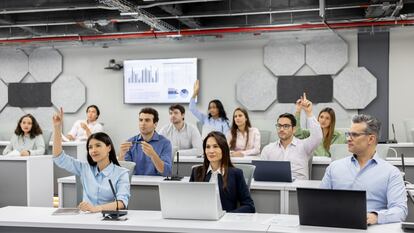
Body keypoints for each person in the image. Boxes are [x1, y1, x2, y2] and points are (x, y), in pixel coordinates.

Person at [320, 114, 407, 225]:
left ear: (371, 139)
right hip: (337, 226)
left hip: (371, 228)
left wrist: (376, 217)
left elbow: (400, 210)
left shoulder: (391, 173)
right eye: (348, 134)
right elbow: (320, 202)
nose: (348, 139)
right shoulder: (334, 167)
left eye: (354, 135)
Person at [53, 108, 130, 212]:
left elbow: (121, 203)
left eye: (98, 145)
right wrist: (57, 127)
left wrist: (96, 209)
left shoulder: (121, 173)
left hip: (108, 219)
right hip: (86, 218)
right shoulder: (84, 168)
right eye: (90, 147)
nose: (93, 150)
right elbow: (59, 157)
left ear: (109, 148)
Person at [190, 131, 255, 213]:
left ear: (223, 149)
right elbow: (190, 202)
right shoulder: (196, 172)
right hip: (201, 220)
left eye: (215, 146)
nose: (211, 151)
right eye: (208, 147)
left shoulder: (236, 174)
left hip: (225, 223)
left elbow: (249, 206)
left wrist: (227, 216)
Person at [261, 94, 322, 180]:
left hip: (298, 188)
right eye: (279, 126)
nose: (281, 129)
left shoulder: (304, 146)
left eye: (286, 126)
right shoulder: (268, 149)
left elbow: (317, 137)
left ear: (294, 129)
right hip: (275, 188)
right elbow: (262, 174)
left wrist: (309, 113)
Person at [118, 107, 172, 176]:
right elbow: (123, 173)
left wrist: (153, 155)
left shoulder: (165, 143)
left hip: (156, 184)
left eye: (147, 120)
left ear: (155, 124)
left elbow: (166, 172)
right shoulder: (130, 142)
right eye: (141, 120)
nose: (143, 123)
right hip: (135, 184)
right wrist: (121, 156)